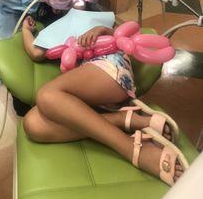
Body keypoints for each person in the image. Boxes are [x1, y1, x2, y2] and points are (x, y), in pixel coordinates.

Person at [21, 16, 188, 187]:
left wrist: (102, 29)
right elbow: (36, 52)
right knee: (33, 125)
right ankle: (123, 119)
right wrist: (26, 31)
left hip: (109, 68)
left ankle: (131, 149)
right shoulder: (54, 26)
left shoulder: (94, 11)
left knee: (47, 95)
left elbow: (127, 35)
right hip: (89, 93)